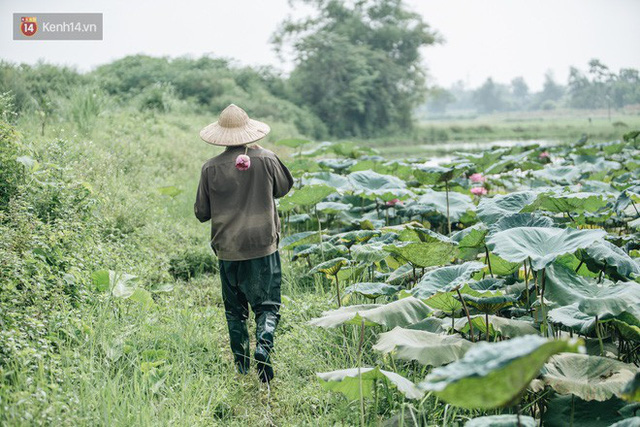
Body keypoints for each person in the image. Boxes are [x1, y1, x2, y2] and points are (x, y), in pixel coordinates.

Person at [194, 104, 294, 383]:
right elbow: (284, 189)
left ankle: (241, 366)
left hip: (228, 248)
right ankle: (263, 346)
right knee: (268, 305)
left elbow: (202, 213)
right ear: (249, 131)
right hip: (263, 245)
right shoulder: (268, 158)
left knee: (234, 310)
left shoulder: (210, 168)